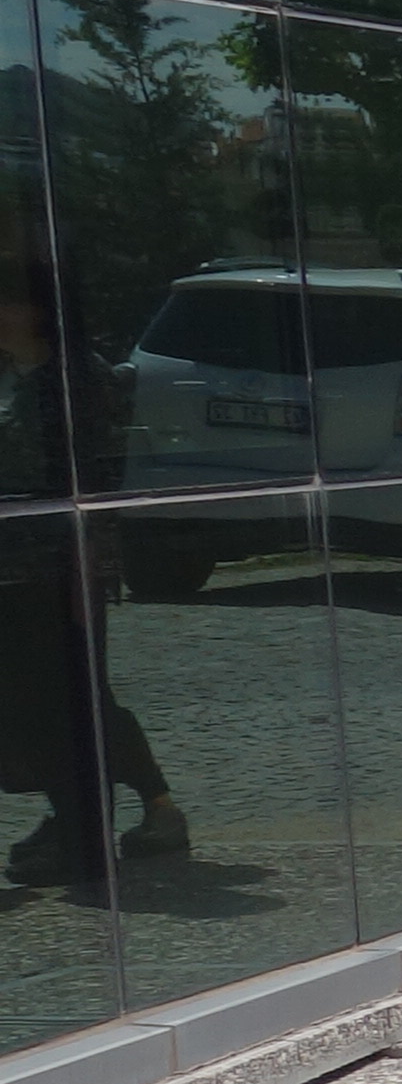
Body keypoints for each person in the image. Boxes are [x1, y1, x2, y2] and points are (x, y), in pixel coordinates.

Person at [0, 281, 178, 889]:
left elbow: (58, 469)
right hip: (21, 563)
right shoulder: (18, 376)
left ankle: (95, 824)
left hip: (55, 566)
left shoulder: (75, 379)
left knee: (66, 698)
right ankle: (79, 816)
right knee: (45, 700)